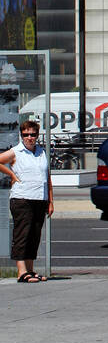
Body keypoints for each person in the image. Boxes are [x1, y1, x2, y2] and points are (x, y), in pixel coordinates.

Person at [0, 120, 53, 282]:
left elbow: (47, 177)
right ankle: (21, 271)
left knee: (34, 235)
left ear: (37, 135)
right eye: (26, 135)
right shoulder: (16, 152)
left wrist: (50, 201)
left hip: (39, 198)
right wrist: (12, 175)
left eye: (33, 134)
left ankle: (30, 269)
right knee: (22, 234)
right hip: (22, 198)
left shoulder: (41, 152)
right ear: (21, 136)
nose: (29, 137)